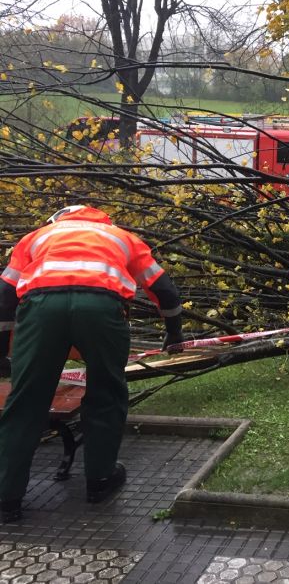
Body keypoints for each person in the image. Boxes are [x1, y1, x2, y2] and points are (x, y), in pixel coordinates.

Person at [0, 205, 184, 523]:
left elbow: (4, 295)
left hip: (41, 308)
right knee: (106, 392)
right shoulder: (122, 238)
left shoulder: (35, 238)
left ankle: (6, 497)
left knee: (25, 400)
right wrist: (174, 334)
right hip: (102, 308)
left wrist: (2, 354)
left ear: (57, 220)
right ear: (101, 220)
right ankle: (100, 480)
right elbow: (164, 290)